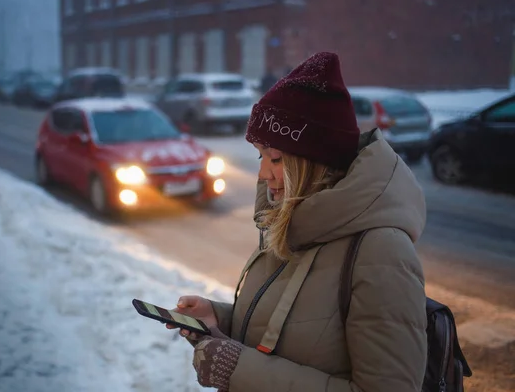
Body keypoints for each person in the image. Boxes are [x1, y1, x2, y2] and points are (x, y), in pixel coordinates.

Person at [167, 52, 428, 392]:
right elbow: (304, 329)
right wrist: (221, 320)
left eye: (275, 158)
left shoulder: (382, 252)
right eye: (260, 155)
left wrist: (239, 368)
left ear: (315, 163)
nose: (262, 174)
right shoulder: (293, 224)